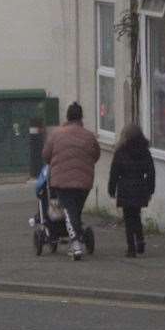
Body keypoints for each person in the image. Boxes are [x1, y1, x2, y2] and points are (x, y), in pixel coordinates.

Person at [41, 101, 100, 258]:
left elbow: (46, 156)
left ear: (67, 116)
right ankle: (77, 239)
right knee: (76, 211)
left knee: (69, 211)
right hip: (84, 182)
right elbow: (96, 155)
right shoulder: (89, 136)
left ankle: (76, 243)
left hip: (62, 181)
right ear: (81, 117)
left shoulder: (56, 135)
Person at [108, 122, 156, 257]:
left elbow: (114, 172)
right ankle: (140, 241)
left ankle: (131, 248)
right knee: (136, 215)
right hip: (140, 186)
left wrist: (111, 189)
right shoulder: (145, 151)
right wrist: (150, 189)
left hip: (125, 188)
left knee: (128, 219)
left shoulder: (121, 151)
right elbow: (151, 172)